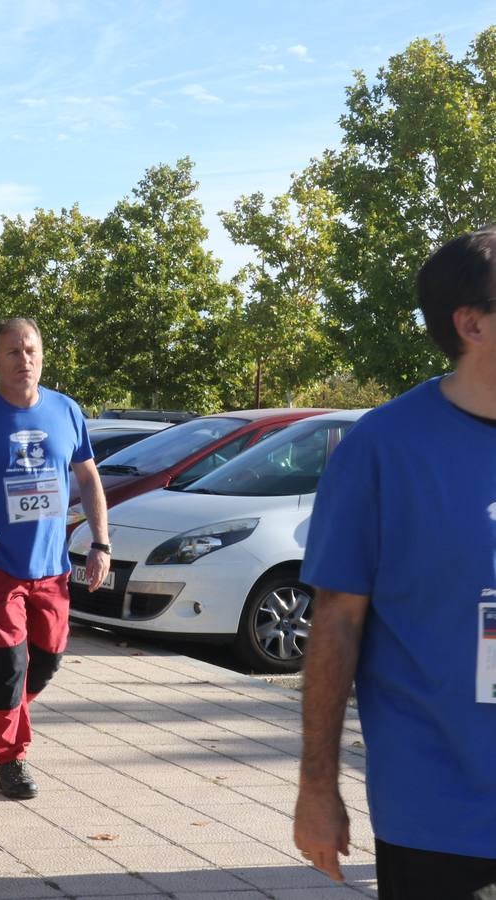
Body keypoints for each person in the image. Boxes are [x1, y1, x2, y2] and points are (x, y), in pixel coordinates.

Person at [294, 226, 496, 896]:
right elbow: (337, 623)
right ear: (471, 323)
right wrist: (318, 787)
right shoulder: (383, 448)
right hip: (439, 810)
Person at [0, 318, 110, 800]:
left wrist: (100, 543)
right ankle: (11, 758)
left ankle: (0, 710)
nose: (25, 360)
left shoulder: (66, 410)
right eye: (14, 352)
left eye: (32, 350)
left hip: (52, 565)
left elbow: (88, 479)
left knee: (49, 660)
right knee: (10, 661)